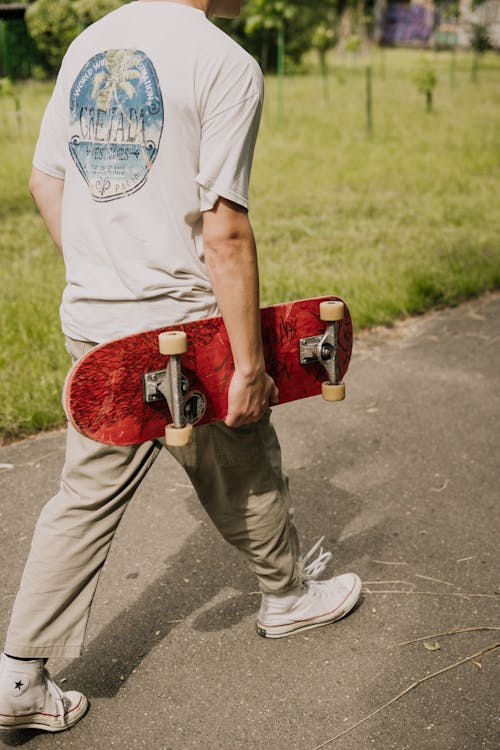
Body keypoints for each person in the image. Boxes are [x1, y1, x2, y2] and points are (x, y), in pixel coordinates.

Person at [0, 0, 362, 734]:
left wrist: (105, 270)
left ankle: (17, 680)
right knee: (244, 443)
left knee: (86, 495)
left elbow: (45, 182)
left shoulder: (89, 45)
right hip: (178, 330)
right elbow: (225, 231)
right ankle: (287, 597)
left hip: (97, 325)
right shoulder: (224, 62)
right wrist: (252, 365)